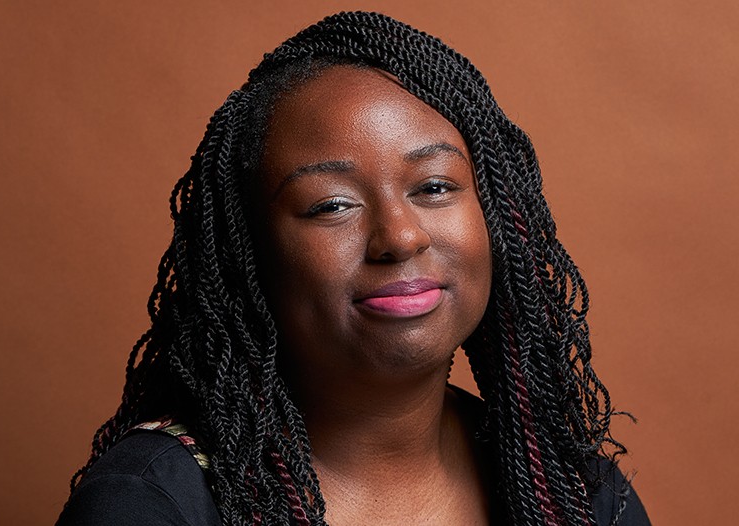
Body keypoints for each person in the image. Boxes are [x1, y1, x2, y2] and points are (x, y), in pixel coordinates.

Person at [57, 11, 650, 526]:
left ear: (497, 216)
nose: (398, 236)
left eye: (436, 186)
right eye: (331, 205)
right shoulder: (152, 504)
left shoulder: (572, 494)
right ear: (250, 255)